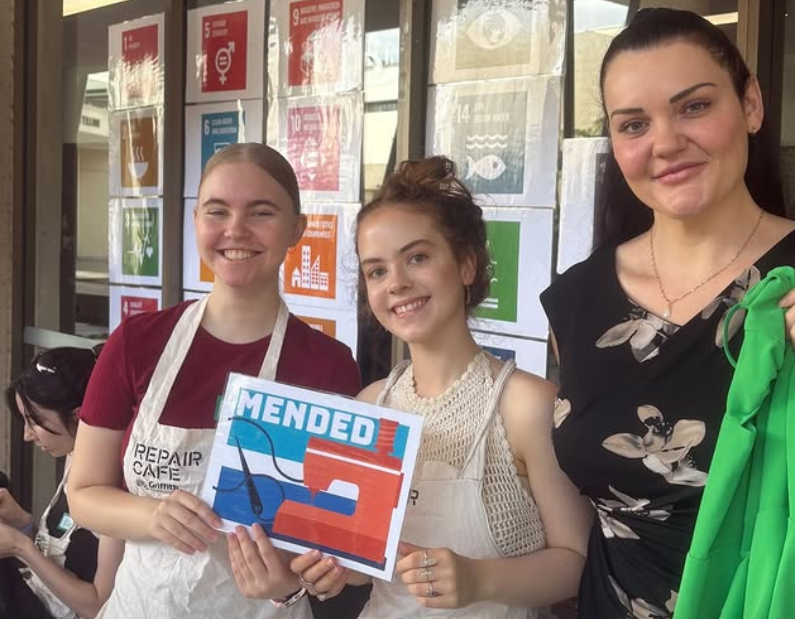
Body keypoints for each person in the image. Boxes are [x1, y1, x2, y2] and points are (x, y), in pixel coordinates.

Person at [231, 156, 593, 618]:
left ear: (466, 264)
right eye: (377, 271)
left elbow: (575, 562)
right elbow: (368, 564)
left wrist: (479, 578)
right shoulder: (371, 404)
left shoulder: (526, 404)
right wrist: (330, 569)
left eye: (417, 258)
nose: (397, 283)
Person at [539, 8, 795, 618]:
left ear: (751, 104)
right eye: (634, 124)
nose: (666, 142)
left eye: (695, 107)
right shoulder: (577, 300)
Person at [67, 143, 363, 619]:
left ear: (297, 230)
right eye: (217, 211)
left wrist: (298, 580)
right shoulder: (136, 343)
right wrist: (151, 515)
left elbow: (332, 539)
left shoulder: (326, 367)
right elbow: (82, 495)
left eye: (261, 212)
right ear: (196, 221)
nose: (236, 230)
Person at [0, 346, 125, 619]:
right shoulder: (74, 456)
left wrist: (22, 548)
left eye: (36, 422)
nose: (27, 435)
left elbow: (97, 606)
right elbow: (60, 556)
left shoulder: (115, 490)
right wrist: (23, 523)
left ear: (79, 417)